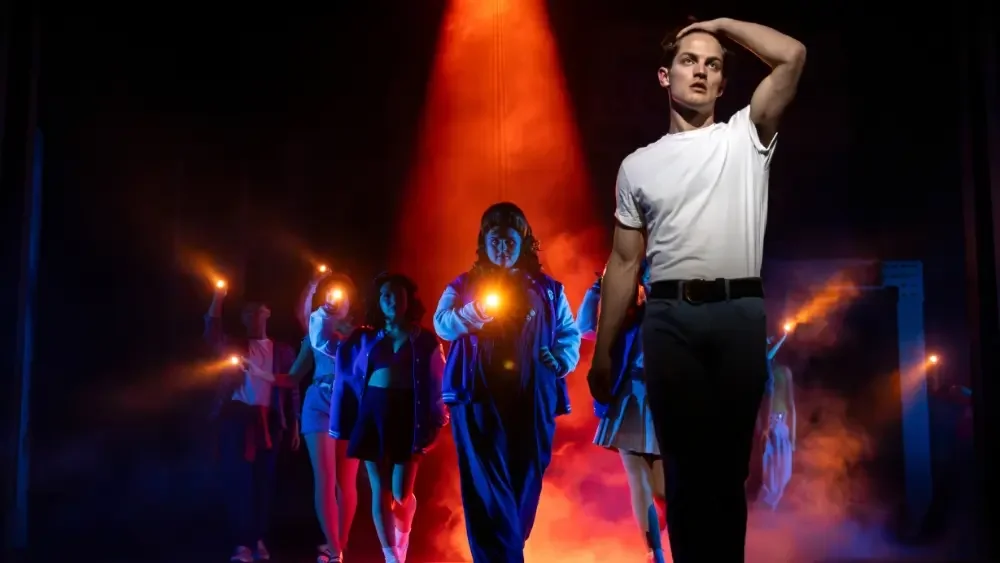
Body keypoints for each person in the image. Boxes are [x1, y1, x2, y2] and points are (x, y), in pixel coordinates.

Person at [587, 18, 806, 563]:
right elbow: (623, 263)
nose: (701, 71)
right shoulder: (637, 165)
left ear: (724, 82)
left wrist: (721, 26)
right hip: (668, 318)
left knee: (728, 472)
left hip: (737, 314)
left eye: (713, 64)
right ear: (665, 76)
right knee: (681, 473)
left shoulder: (745, 135)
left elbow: (793, 55)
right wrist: (603, 352)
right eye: (690, 60)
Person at [433, 202, 581, 563]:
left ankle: (509, 550)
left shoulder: (549, 289)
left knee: (526, 476)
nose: (502, 247)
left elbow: (569, 334)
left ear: (523, 242)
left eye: (509, 240)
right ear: (485, 241)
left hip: (532, 397)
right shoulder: (464, 284)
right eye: (495, 240)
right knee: (486, 481)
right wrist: (473, 312)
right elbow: (442, 323)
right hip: (479, 396)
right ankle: (503, 557)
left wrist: (560, 359)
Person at [340, 272, 448, 563]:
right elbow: (334, 354)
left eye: (397, 295)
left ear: (407, 300)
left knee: (402, 493)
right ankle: (391, 557)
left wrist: (438, 419)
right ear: (379, 301)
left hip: (408, 415)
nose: (391, 300)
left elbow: (439, 382)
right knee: (380, 488)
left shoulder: (425, 339)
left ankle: (403, 534)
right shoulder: (365, 337)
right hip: (373, 412)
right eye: (385, 295)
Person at [203, 284, 300, 563]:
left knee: (263, 482)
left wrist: (293, 423)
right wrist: (218, 297)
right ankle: (242, 543)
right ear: (244, 318)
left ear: (267, 314)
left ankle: (257, 539)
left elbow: (291, 389)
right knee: (240, 481)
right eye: (248, 313)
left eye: (258, 312)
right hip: (238, 419)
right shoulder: (236, 345)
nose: (253, 316)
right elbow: (212, 334)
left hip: (269, 421)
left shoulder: (281, 351)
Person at [577, 261, 667, 562]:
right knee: (638, 478)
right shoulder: (626, 312)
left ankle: (655, 539)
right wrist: (599, 286)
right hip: (631, 399)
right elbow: (585, 327)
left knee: (664, 491)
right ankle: (654, 552)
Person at [295, 270, 359, 563]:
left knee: (346, 481)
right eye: (330, 294)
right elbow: (304, 316)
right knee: (325, 477)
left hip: (347, 404)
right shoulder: (314, 329)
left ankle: (338, 546)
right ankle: (334, 550)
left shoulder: (360, 334)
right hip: (318, 402)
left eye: (341, 295)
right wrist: (312, 284)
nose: (336, 298)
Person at [758, 331, 796, 510]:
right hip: (763, 428)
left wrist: (793, 439)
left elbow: (791, 405)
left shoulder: (784, 372)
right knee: (767, 477)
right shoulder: (756, 372)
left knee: (782, 474)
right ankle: (763, 517)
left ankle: (770, 514)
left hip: (780, 428)